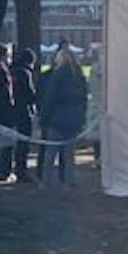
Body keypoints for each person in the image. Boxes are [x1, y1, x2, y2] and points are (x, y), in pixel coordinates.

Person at [35, 45, 90, 186]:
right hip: (74, 119)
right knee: (69, 154)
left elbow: (50, 98)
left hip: (57, 119)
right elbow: (84, 99)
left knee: (50, 154)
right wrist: (82, 118)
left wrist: (43, 119)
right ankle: (68, 181)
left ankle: (46, 181)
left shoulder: (57, 75)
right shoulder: (80, 76)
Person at [0, 43, 18, 182]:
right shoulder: (0, 71)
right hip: (2, 113)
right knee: (2, 145)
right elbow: (3, 94)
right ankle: (1, 171)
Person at [10, 47, 41, 182]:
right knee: (23, 143)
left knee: (12, 143)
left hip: (12, 111)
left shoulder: (12, 71)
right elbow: (29, 94)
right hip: (23, 112)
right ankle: (21, 170)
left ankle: (8, 168)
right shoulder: (25, 73)